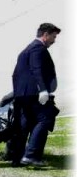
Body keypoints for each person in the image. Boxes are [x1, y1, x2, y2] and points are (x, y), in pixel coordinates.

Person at [8, 23, 61, 168]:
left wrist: (18, 93)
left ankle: (17, 157)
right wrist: (43, 90)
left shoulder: (27, 49)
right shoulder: (38, 48)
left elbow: (15, 75)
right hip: (34, 93)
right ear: (45, 35)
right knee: (45, 119)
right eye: (53, 37)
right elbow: (36, 69)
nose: (54, 40)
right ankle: (31, 155)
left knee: (25, 124)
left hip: (23, 94)